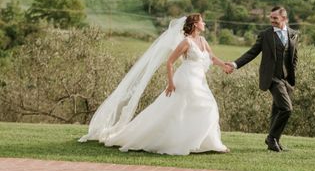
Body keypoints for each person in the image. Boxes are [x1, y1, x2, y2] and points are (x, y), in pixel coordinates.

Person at [79, 14, 230, 155]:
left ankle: (205, 142)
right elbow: (170, 61)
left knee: (203, 108)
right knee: (192, 108)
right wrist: (170, 83)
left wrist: (224, 65)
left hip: (199, 80)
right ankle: (178, 142)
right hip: (186, 79)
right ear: (195, 25)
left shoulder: (203, 41)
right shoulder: (186, 42)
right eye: (202, 21)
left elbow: (211, 57)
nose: (204, 23)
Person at [226, 6, 298, 152]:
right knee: (287, 109)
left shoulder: (294, 34)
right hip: (272, 77)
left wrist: (292, 76)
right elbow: (252, 52)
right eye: (270, 18)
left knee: (277, 110)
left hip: (286, 79)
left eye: (275, 18)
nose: (272, 21)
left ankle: (275, 141)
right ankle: (271, 138)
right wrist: (235, 64)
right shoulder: (265, 35)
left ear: (284, 19)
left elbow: (294, 57)